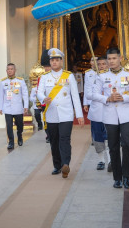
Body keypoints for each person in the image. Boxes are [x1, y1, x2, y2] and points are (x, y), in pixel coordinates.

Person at [93, 47, 129, 189]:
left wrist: (125, 97)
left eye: (114, 58)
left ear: (120, 59)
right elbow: (93, 94)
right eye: (109, 59)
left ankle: (127, 176)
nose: (111, 61)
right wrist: (107, 98)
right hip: (110, 116)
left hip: (126, 115)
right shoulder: (101, 76)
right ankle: (117, 177)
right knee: (113, 147)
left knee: (127, 144)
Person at [37, 48, 84, 178]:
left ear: (61, 61)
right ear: (50, 62)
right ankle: (57, 165)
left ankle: (65, 164)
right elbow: (39, 92)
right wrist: (43, 98)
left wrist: (79, 115)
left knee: (65, 139)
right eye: (52, 60)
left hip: (66, 114)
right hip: (51, 114)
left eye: (57, 60)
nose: (54, 62)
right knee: (54, 140)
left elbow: (75, 96)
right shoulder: (45, 77)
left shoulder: (68, 76)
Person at [84, 56, 111, 171]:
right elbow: (88, 94)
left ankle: (111, 160)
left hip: (110, 113)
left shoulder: (112, 77)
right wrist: (104, 97)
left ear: (108, 64)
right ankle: (101, 160)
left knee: (110, 138)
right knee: (98, 138)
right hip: (96, 112)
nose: (101, 66)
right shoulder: (92, 78)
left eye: (103, 64)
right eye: (99, 64)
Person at [0, 63, 29, 149]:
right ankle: (11, 142)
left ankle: (20, 136)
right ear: (6, 71)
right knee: (9, 126)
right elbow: (1, 95)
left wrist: (25, 106)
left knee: (20, 125)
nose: (10, 70)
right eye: (8, 69)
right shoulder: (3, 82)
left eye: (11, 69)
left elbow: (25, 94)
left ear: (15, 70)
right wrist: (0, 108)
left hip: (18, 107)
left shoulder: (20, 81)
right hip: (7, 108)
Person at [36, 49, 51, 143]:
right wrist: (39, 102)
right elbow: (38, 91)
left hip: (53, 102)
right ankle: (48, 135)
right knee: (45, 120)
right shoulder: (41, 78)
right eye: (45, 66)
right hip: (45, 103)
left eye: (48, 66)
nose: (46, 68)